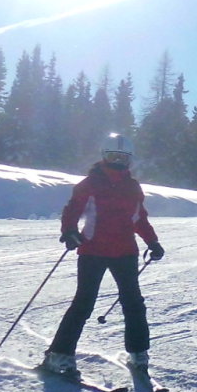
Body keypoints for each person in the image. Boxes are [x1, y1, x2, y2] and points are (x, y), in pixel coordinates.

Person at [41, 133, 164, 375]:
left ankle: (139, 353)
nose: (117, 161)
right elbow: (72, 210)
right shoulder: (90, 184)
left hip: (125, 252)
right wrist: (69, 231)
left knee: (134, 304)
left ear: (129, 160)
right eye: (112, 156)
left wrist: (153, 242)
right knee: (84, 303)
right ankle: (59, 354)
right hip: (93, 250)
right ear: (103, 156)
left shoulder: (133, 187)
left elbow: (139, 219)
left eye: (122, 157)